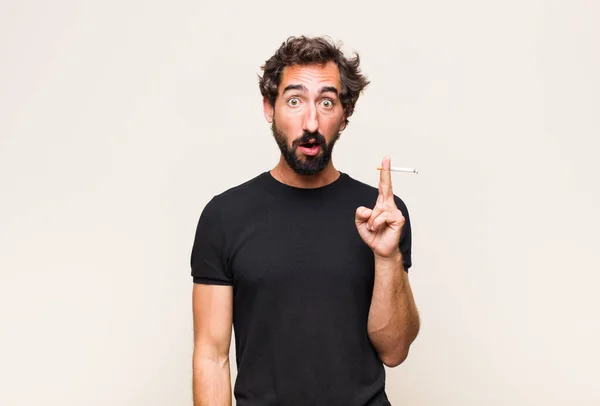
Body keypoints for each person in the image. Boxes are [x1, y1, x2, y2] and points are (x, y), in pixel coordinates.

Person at [190, 36, 420, 406]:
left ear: (344, 113)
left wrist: (387, 257)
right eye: (294, 101)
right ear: (270, 107)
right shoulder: (224, 216)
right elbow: (211, 356)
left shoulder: (381, 214)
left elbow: (394, 351)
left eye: (326, 102)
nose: (311, 122)